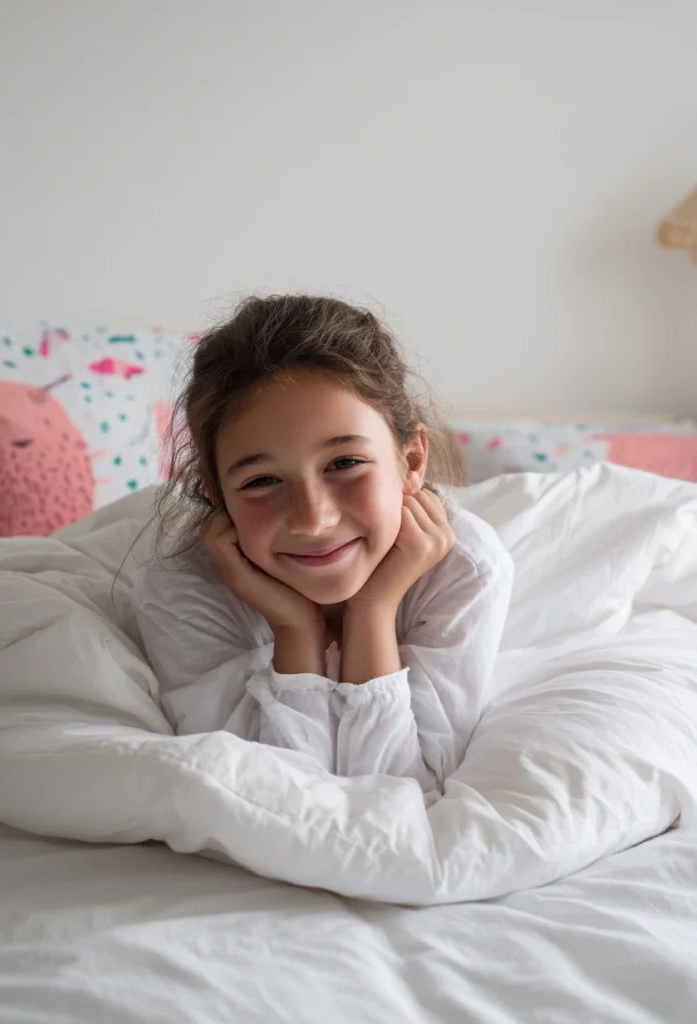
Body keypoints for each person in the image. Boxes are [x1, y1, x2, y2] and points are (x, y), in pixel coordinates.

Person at [134, 295, 513, 796]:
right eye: (262, 480)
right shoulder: (180, 591)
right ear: (215, 490)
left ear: (412, 459)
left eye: (344, 464)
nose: (314, 519)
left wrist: (373, 612)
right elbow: (272, 797)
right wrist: (295, 629)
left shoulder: (465, 567)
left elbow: (402, 791)